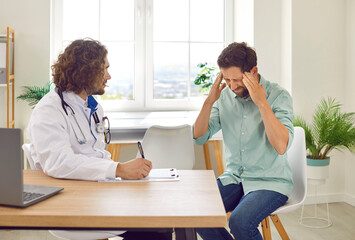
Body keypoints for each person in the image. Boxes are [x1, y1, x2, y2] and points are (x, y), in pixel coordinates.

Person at [27, 39, 172, 240]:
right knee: (156, 229)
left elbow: (96, 152)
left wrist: (122, 175)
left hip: (96, 191)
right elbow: (58, 163)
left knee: (159, 213)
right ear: (87, 71)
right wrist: (119, 169)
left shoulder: (92, 106)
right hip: (73, 203)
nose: (109, 76)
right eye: (104, 69)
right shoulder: (50, 110)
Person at [193, 42, 294, 240]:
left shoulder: (278, 96)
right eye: (227, 80)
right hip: (234, 178)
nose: (232, 86)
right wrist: (209, 101)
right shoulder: (224, 97)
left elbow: (281, 146)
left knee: (239, 221)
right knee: (196, 214)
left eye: (237, 80)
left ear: (253, 71)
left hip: (270, 182)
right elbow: (199, 137)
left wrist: (262, 103)